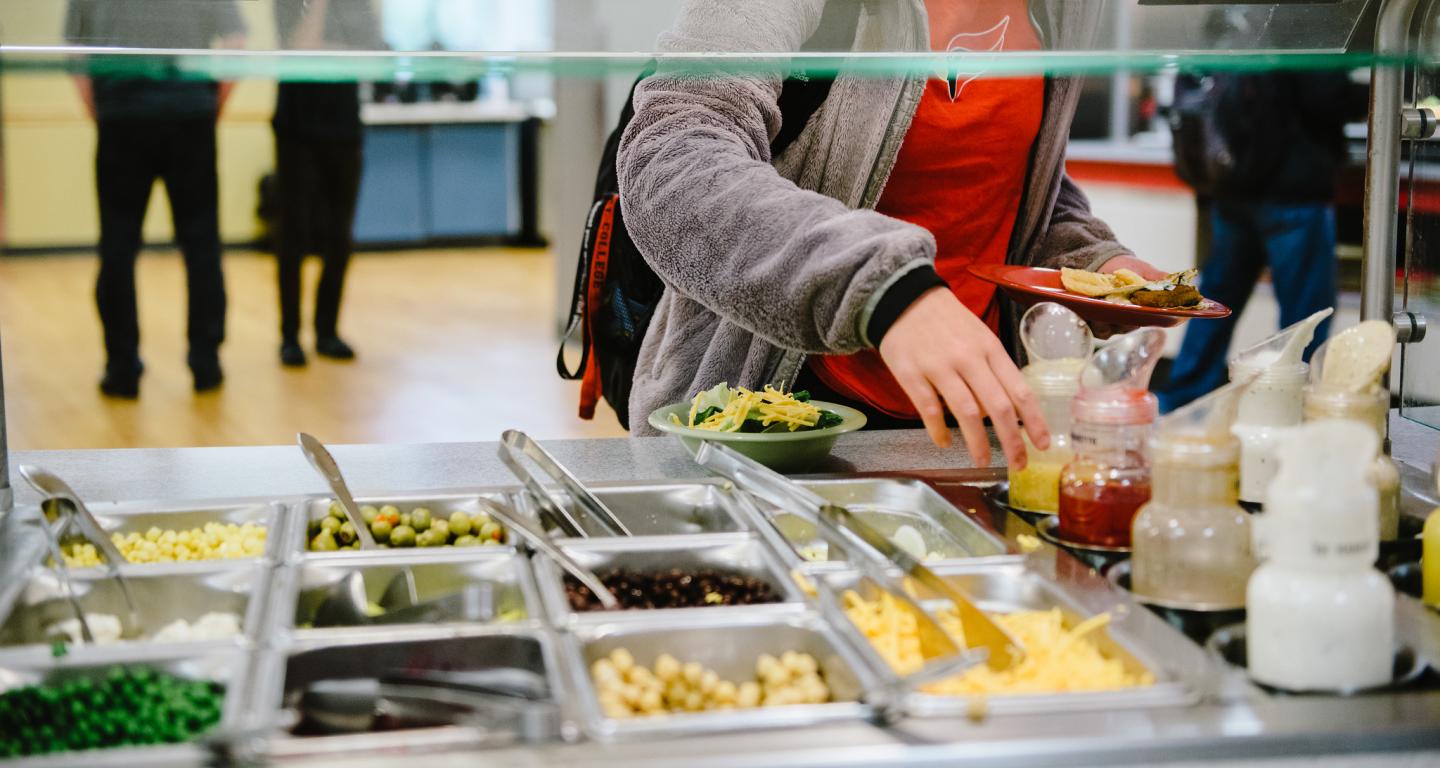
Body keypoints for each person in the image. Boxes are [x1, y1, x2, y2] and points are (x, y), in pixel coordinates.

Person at [619, 0, 1163, 468]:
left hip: (983, 418)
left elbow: (1015, 184)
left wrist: (1092, 262)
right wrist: (886, 290)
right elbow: (672, 157)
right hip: (781, 417)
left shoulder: (1062, 10)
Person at [65, 0, 245, 398]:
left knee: (118, 245)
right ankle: (206, 362)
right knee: (201, 246)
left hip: (123, 115)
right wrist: (210, 105)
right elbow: (236, 43)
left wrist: (101, 110)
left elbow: (75, 53)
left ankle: (121, 368)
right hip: (189, 113)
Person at [1158, 67, 1364, 412]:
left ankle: (1180, 402)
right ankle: (1293, 408)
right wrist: (1380, 93)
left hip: (1233, 186)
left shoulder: (1249, 16)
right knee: (1304, 319)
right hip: (1293, 193)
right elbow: (1325, 98)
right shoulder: (1311, 22)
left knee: (1215, 304)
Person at [271, 0, 380, 366]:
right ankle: (290, 336)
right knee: (293, 233)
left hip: (343, 127)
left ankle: (327, 331)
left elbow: (370, 52)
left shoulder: (358, 5)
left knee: (339, 235)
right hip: (296, 128)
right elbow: (302, 47)